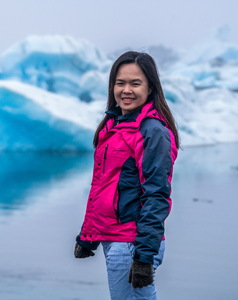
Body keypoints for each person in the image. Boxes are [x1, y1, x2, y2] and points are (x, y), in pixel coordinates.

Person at [74, 51, 180, 300]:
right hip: (115, 239)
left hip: (132, 243)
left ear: (151, 88)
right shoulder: (113, 126)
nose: (126, 90)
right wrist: (88, 235)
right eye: (120, 83)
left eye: (135, 83)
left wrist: (143, 257)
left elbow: (157, 195)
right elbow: (105, 186)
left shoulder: (152, 132)